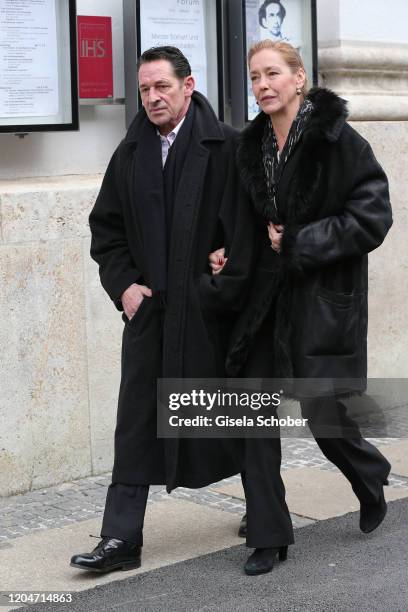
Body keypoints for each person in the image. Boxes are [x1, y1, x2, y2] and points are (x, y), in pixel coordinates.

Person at [209, 40, 393, 576]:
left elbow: (373, 215)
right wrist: (222, 254)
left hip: (318, 297)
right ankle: (268, 533)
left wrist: (301, 242)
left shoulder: (337, 140)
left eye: (272, 74)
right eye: (254, 77)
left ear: (298, 78)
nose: (262, 85)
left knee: (322, 413)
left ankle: (368, 473)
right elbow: (238, 221)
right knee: (253, 413)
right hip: (263, 300)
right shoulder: (249, 145)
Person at [70, 45, 254, 574]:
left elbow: (254, 224)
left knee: (231, 412)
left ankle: (264, 503)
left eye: (161, 87)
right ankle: (121, 539)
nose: (152, 98)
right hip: (151, 314)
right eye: (144, 89)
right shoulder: (129, 153)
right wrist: (124, 286)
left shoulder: (228, 147)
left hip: (210, 313)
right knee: (135, 423)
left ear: (188, 86)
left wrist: (229, 259)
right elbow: (105, 230)